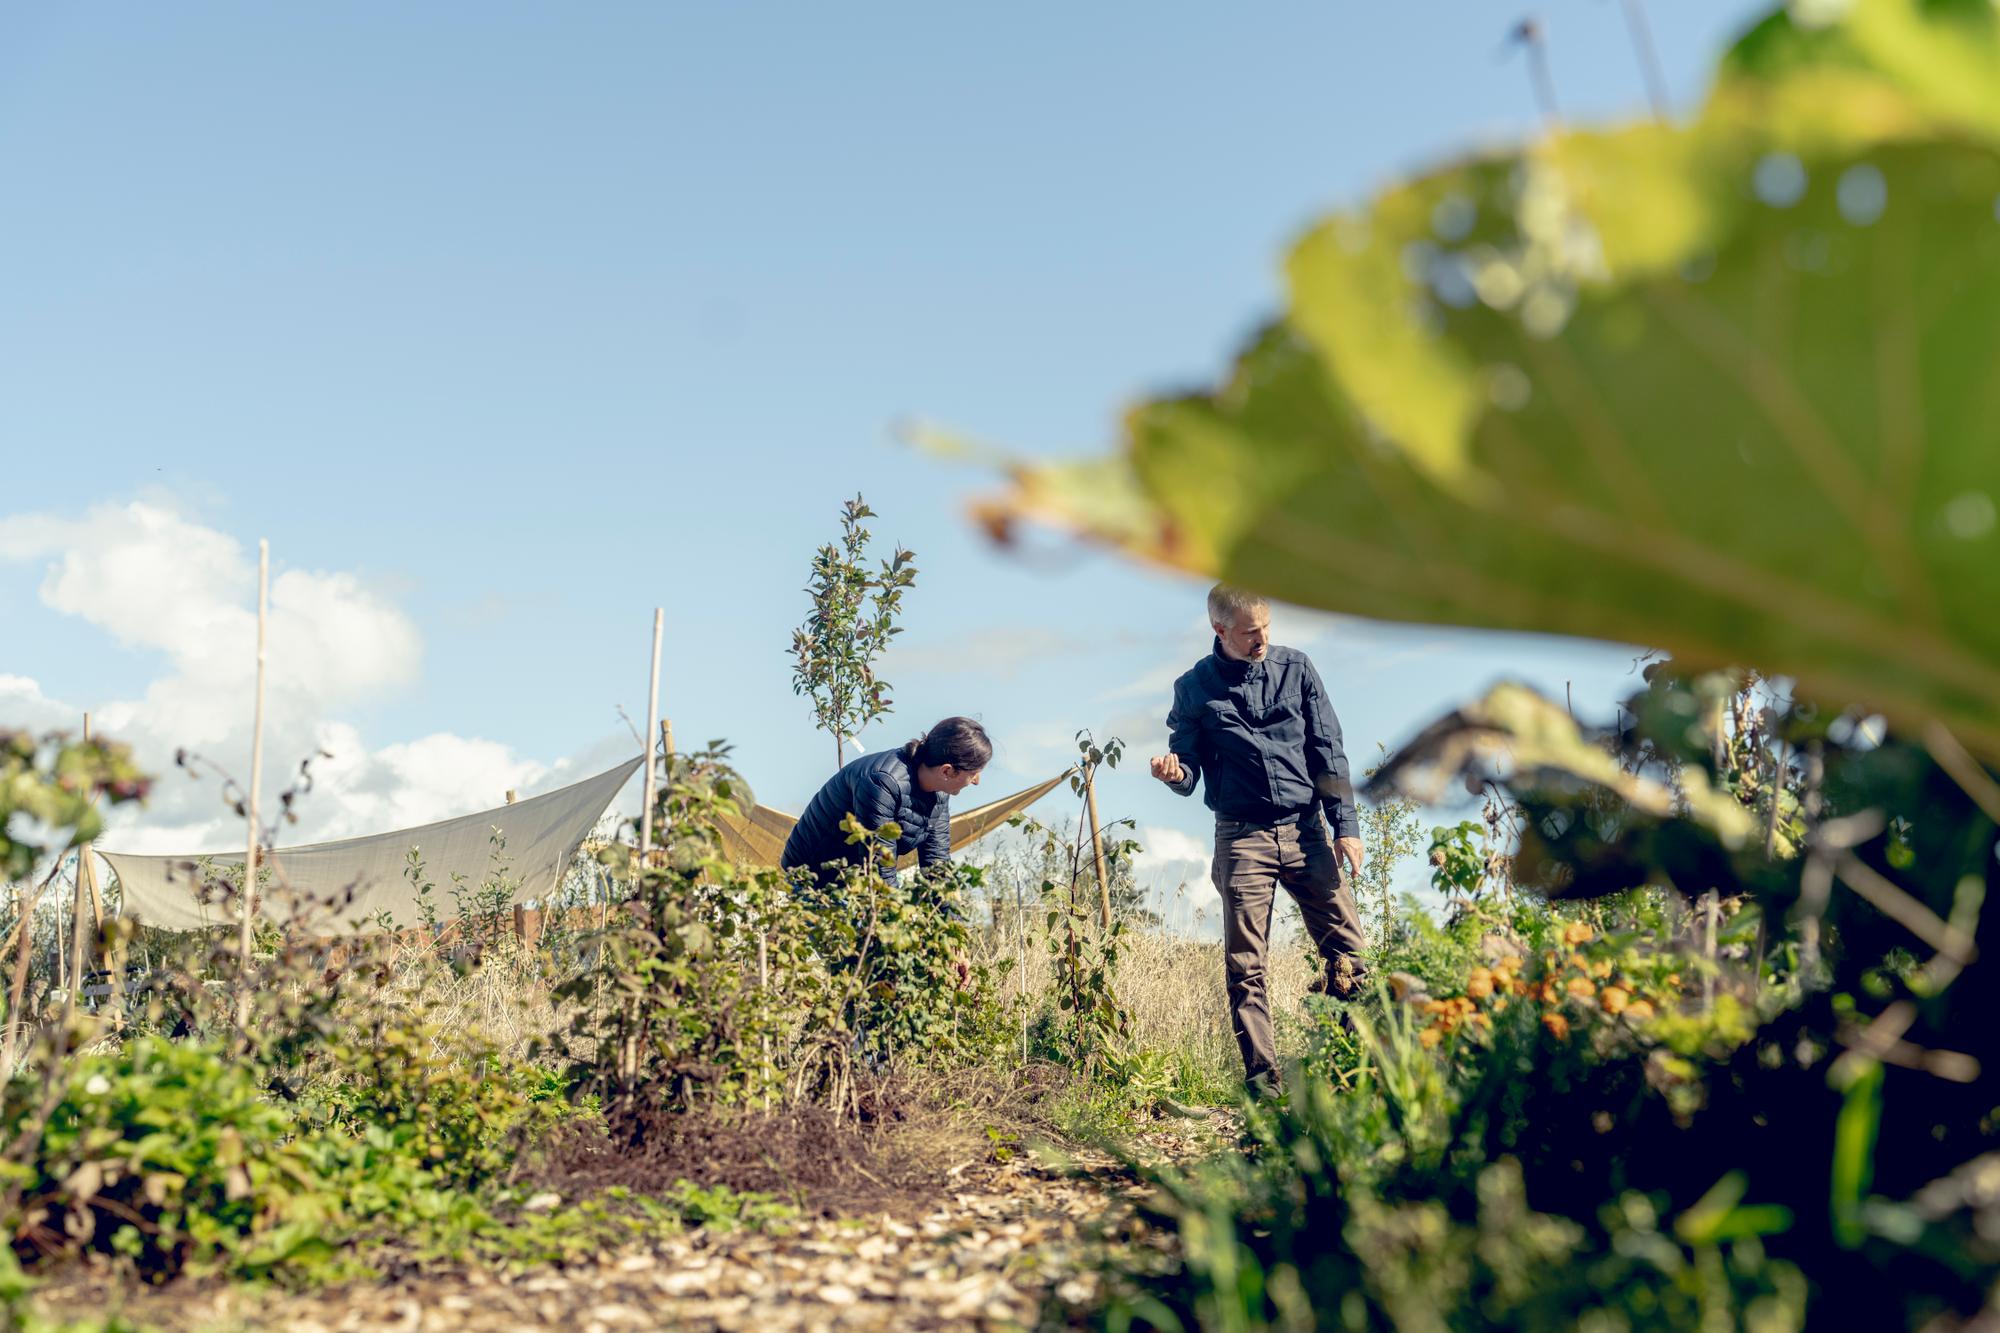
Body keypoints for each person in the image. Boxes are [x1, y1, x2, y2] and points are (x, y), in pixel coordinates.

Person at [1151, 584, 1368, 1096]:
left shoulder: (1298, 669)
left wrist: (1347, 828)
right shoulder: (1193, 689)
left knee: (1350, 956)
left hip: (1307, 830)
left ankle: (1352, 1072)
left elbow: (1328, 752)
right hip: (1242, 837)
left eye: (1267, 627)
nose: (1262, 639)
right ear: (1219, 630)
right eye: (1251, 631)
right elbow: (1188, 773)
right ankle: (1265, 1087)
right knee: (1246, 966)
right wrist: (1172, 774)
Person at [781, 717, 991, 887]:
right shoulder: (883, 782)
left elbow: (936, 865)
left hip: (853, 878)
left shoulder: (939, 793)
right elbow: (879, 866)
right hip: (812, 877)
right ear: (946, 770)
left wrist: (950, 924)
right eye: (974, 773)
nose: (977, 781)